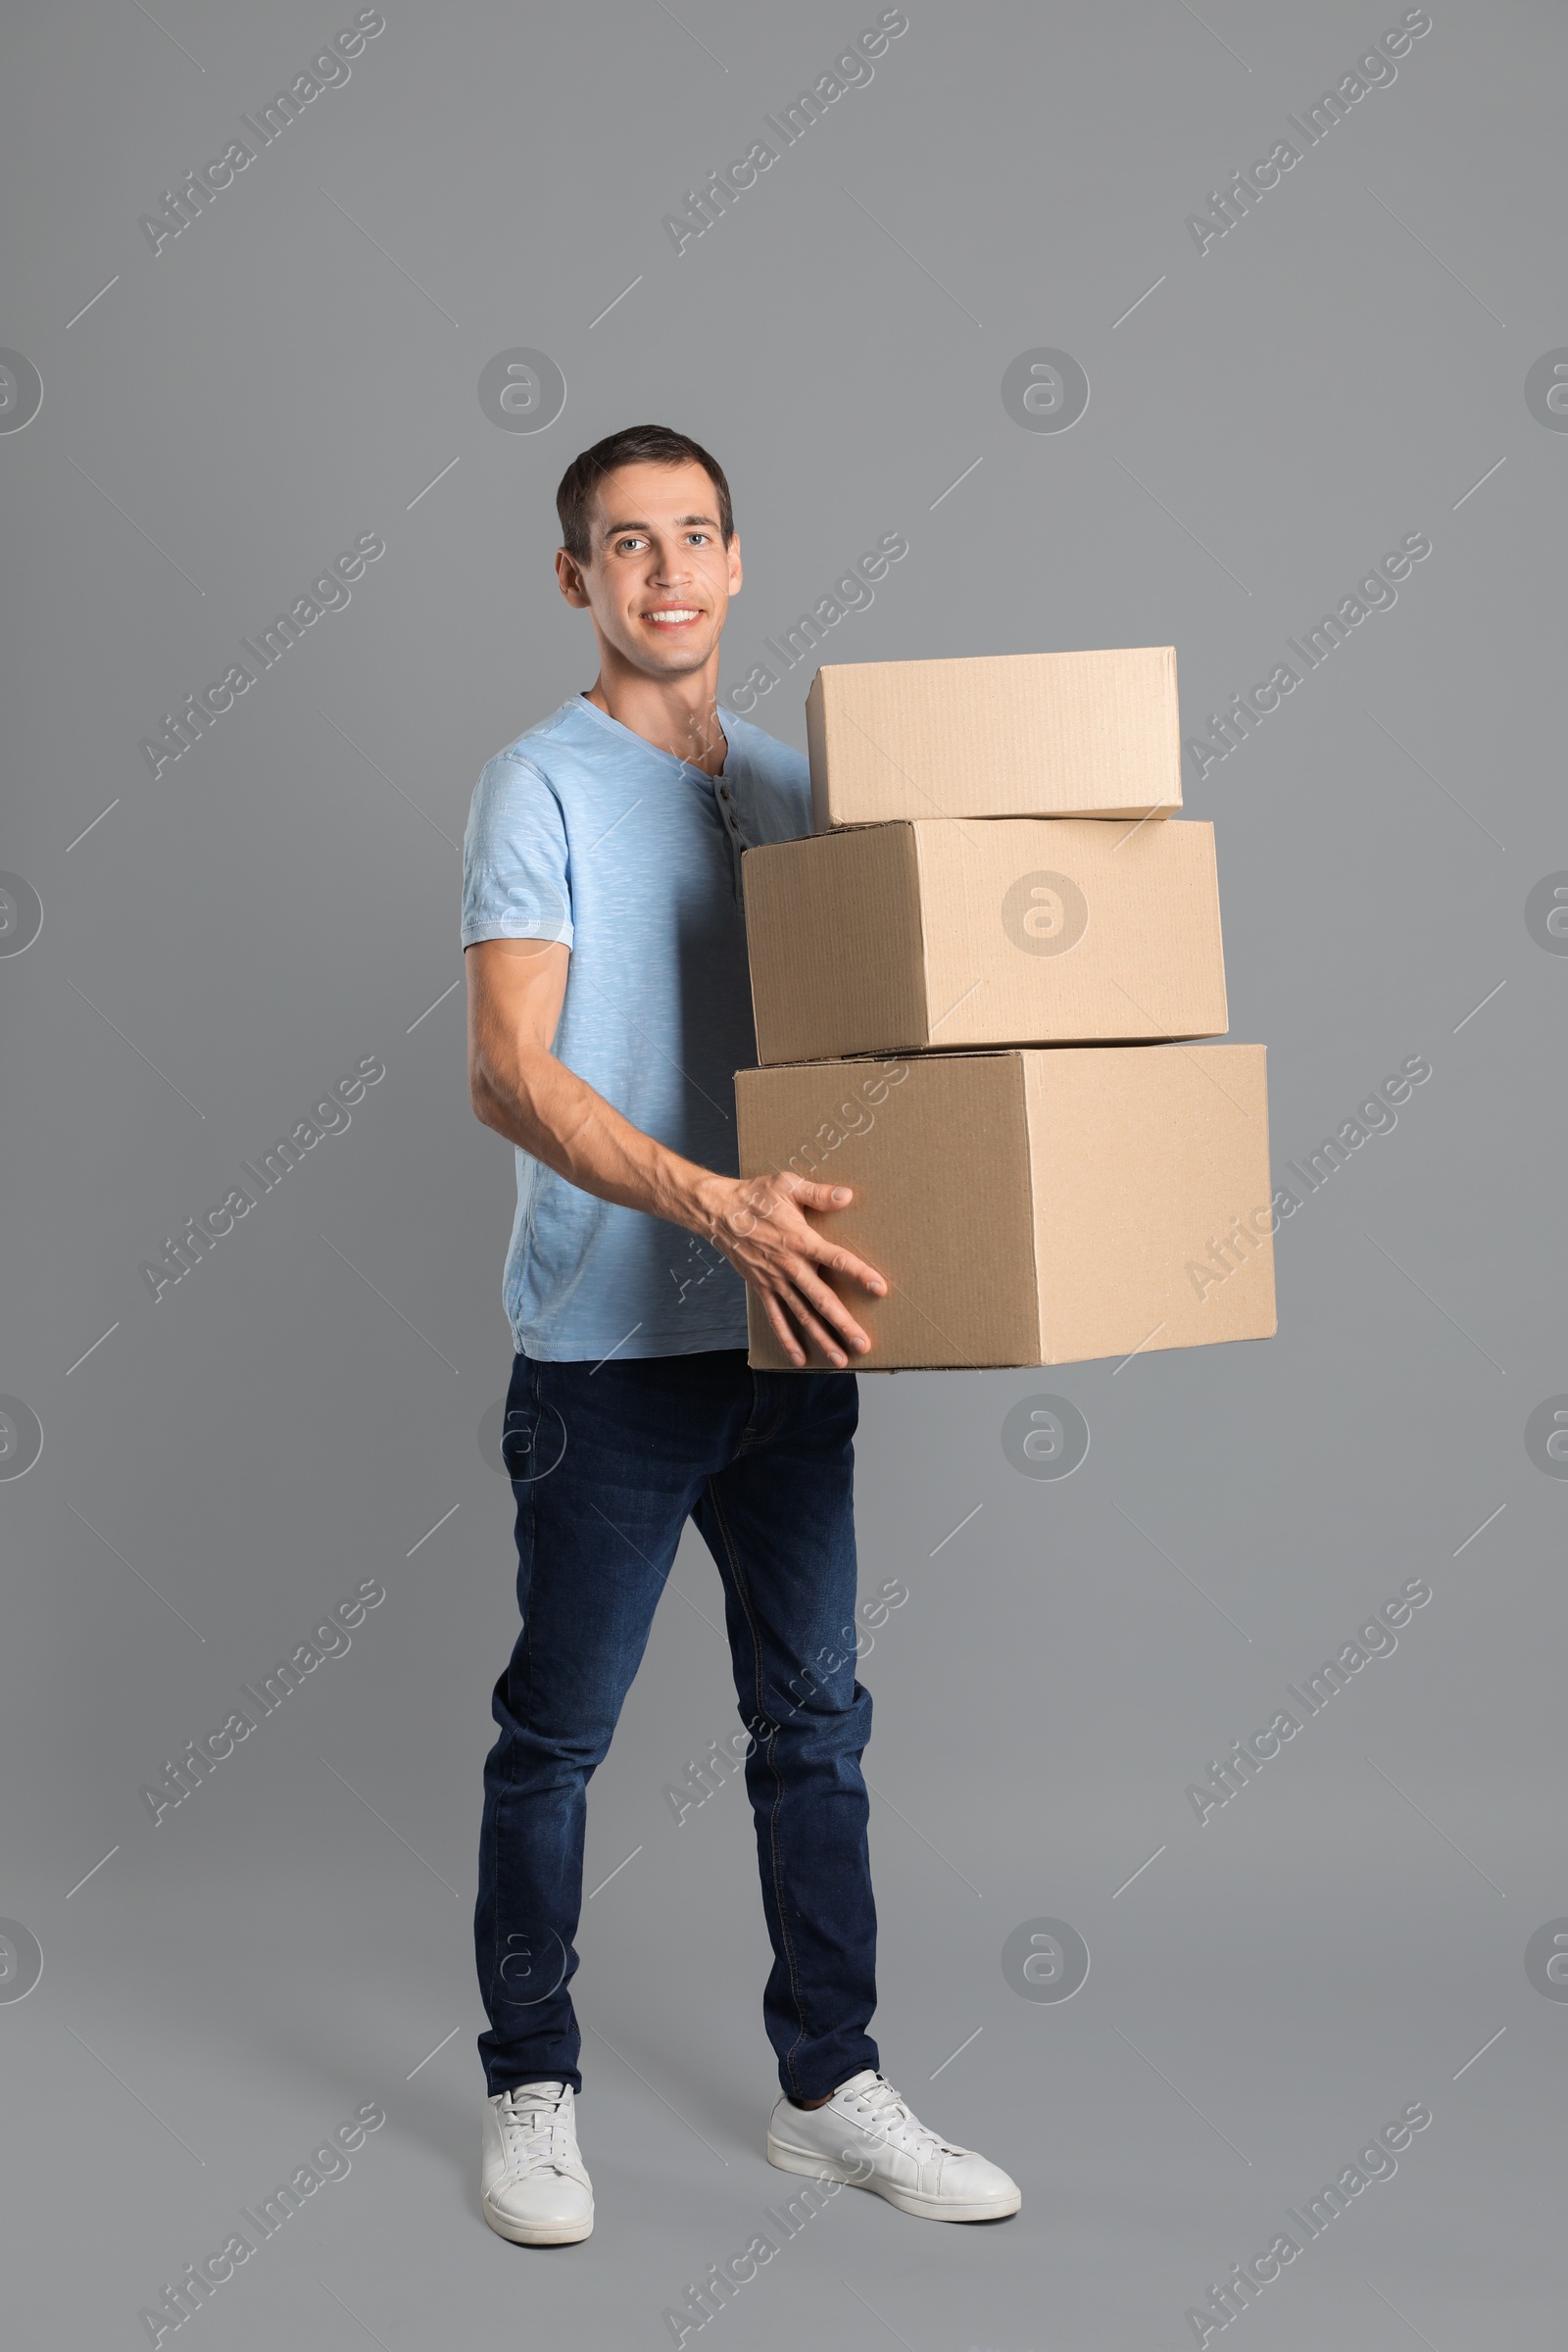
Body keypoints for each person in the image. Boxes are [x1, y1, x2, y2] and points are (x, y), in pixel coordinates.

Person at [461, 423, 1020, 2245]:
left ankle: (831, 2088)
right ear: (578, 582)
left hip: (794, 1346)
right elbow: (504, 1074)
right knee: (558, 1736)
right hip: (609, 1364)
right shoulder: (534, 785)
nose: (668, 573)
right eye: (626, 546)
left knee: (816, 1725)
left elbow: (907, 1026)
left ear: (737, 562)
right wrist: (710, 1204)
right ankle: (531, 2085)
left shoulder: (793, 789)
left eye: (695, 536)